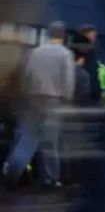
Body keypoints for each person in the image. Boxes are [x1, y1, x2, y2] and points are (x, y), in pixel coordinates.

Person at [2, 21, 74, 188]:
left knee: (27, 138)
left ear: (49, 34)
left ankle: (12, 171)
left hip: (33, 100)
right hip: (54, 101)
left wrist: (28, 95)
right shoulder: (64, 54)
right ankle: (51, 178)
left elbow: (26, 76)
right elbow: (68, 81)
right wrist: (67, 101)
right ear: (63, 36)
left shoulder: (35, 52)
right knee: (50, 141)